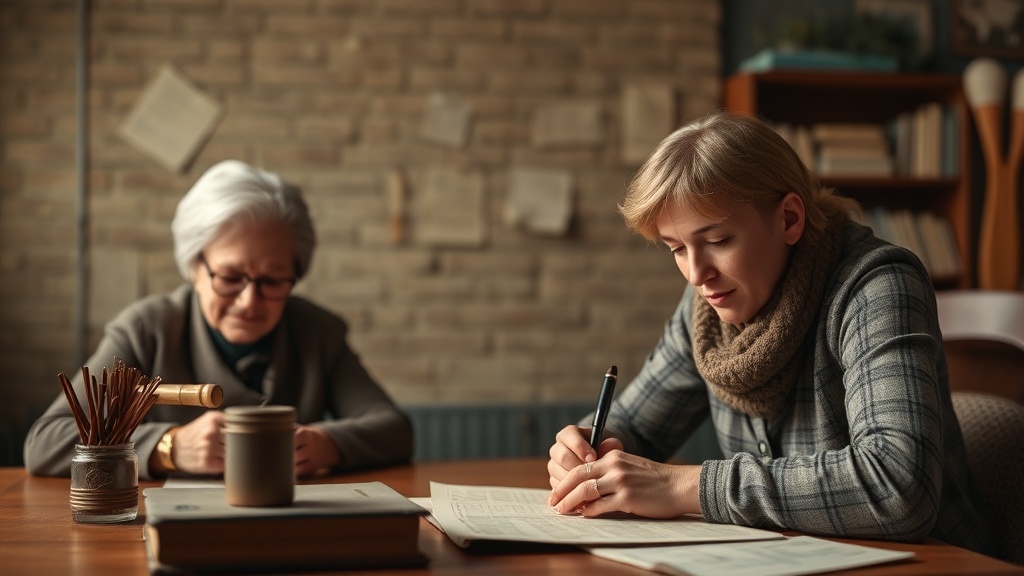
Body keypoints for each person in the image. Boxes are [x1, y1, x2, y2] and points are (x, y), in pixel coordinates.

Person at [546, 111, 992, 554]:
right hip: (785, 560)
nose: (697, 274)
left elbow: (899, 485)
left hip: (933, 563)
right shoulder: (705, 311)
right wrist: (585, 450)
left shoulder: (876, 285)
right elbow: (635, 426)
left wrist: (688, 486)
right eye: (677, 249)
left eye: (718, 241)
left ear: (790, 219)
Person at [24, 160, 412, 479]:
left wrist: (327, 444)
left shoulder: (317, 331)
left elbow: (393, 428)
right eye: (229, 278)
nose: (249, 301)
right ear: (194, 266)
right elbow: (45, 441)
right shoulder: (146, 330)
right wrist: (168, 446)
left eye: (274, 280)